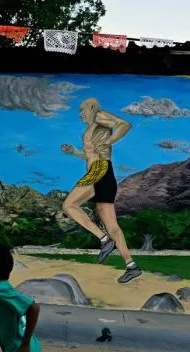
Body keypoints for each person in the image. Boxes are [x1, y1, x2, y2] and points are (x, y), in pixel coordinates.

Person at [61, 97, 142, 284]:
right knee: (112, 226)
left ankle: (104, 239)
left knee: (69, 205)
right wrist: (74, 152)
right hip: (104, 173)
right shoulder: (91, 128)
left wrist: (110, 141)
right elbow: (90, 154)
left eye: (82, 109)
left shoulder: (99, 116)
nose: (80, 114)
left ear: (91, 108)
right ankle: (131, 266)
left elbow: (125, 125)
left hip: (100, 170)